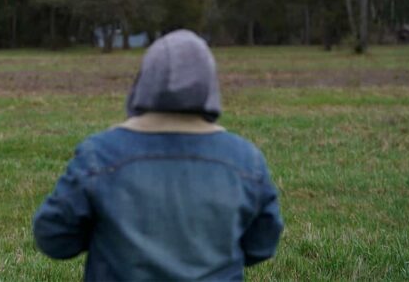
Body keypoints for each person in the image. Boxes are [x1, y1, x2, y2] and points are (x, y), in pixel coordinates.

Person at [33, 29, 283, 281]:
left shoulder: (100, 155)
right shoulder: (245, 159)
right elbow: (260, 246)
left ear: (144, 82)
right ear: (210, 86)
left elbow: (54, 238)